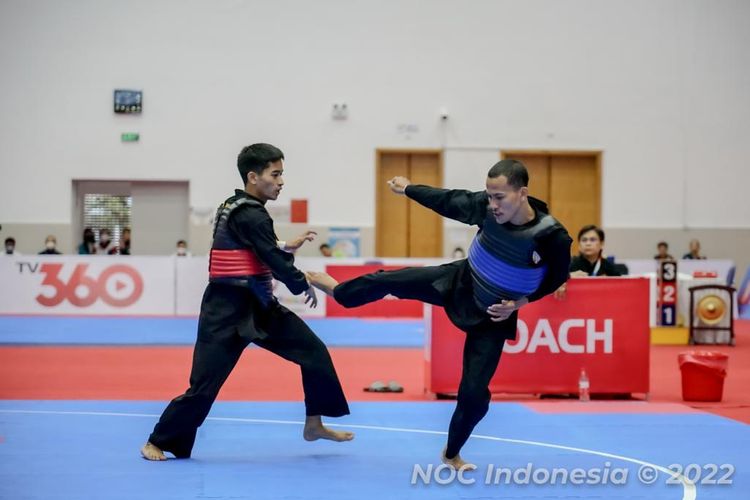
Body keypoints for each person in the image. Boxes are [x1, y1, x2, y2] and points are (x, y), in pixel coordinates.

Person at [307, 159, 572, 470]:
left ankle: (451, 454)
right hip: (458, 281)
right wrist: (408, 189)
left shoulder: (552, 236)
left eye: (500, 197)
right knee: (388, 280)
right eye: (489, 195)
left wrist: (520, 303)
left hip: (494, 314)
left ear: (522, 193)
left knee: (473, 396)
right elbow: (447, 200)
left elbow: (556, 278)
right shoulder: (485, 207)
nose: (492, 204)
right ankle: (339, 292)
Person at [141, 143, 353, 461]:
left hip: (261, 305)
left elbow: (256, 244)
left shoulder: (237, 205)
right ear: (253, 177)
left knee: (314, 353)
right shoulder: (252, 214)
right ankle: (157, 441)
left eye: (283, 174)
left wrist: (283, 243)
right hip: (225, 310)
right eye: (275, 174)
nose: (281, 182)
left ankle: (314, 424)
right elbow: (272, 258)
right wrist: (303, 282)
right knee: (204, 386)